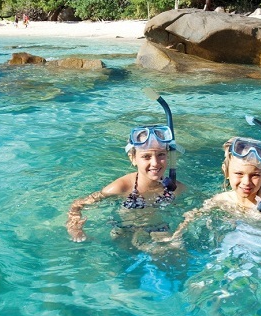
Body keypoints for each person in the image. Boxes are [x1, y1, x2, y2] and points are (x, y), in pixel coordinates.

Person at [161, 117, 261, 265]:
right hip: (233, 247)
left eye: (255, 175)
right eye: (239, 174)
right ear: (226, 172)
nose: (246, 182)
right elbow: (194, 215)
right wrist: (177, 235)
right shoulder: (222, 199)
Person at [67, 97, 184, 243]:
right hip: (125, 231)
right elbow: (77, 204)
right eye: (146, 157)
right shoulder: (121, 187)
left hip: (159, 229)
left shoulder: (176, 188)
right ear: (133, 158)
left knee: (175, 254)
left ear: (169, 156)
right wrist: (75, 227)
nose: (155, 163)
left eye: (161, 155)